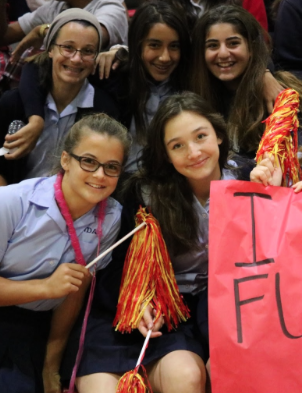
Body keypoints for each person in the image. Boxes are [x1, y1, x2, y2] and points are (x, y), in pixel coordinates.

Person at [65, 92, 239, 393]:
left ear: (219, 134)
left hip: (187, 313)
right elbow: (117, 268)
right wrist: (138, 300)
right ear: (165, 154)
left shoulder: (249, 179)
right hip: (126, 312)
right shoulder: (144, 195)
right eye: (177, 146)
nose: (194, 151)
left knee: (186, 377)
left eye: (201, 136)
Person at [0, 113, 130, 393]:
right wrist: (46, 287)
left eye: (112, 167)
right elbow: (56, 287)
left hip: (44, 327)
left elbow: (75, 289)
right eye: (89, 161)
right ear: (65, 160)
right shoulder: (11, 203)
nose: (99, 175)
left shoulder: (110, 217)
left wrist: (51, 366)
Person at [16, 0, 192, 173]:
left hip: (173, 182)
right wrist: (36, 118)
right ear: (137, 45)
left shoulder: (190, 82)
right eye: (154, 45)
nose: (165, 57)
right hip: (119, 183)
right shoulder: (115, 74)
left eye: (174, 46)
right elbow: (37, 67)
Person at [0, 9, 119, 185]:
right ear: (50, 50)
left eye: (87, 51)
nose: (76, 59)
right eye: (68, 48)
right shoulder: (13, 103)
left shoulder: (105, 111)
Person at [191, 4, 302, 160]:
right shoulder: (198, 97)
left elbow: (295, 162)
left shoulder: (279, 94)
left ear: (251, 48)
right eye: (213, 46)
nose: (223, 53)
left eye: (233, 43)